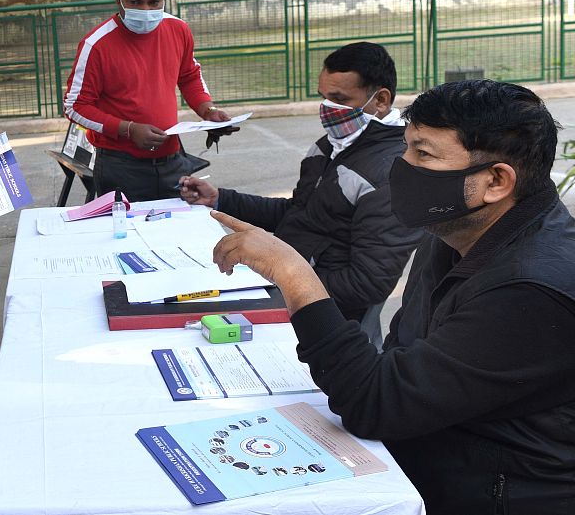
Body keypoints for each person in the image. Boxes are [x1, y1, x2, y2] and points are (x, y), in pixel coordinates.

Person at [212, 80, 575, 514]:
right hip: (414, 468)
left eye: (423, 154)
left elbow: (377, 401)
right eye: (406, 148)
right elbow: (400, 359)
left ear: (496, 180)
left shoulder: (531, 288)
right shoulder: (456, 234)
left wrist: (294, 274)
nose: (399, 167)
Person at [181, 42, 421, 340]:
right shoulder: (328, 146)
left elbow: (367, 284)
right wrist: (219, 198)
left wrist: (280, 272)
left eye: (339, 99)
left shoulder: (390, 175)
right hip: (284, 288)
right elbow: (297, 213)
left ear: (380, 100)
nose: (327, 109)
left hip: (325, 320)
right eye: (323, 98)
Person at [63, 0, 236, 202]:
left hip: (173, 161)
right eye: (135, 2)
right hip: (120, 167)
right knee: (127, 238)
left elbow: (188, 76)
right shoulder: (96, 44)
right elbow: (75, 106)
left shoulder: (178, 30)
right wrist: (128, 129)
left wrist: (208, 111)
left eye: (155, 2)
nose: (146, 10)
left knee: (177, 236)